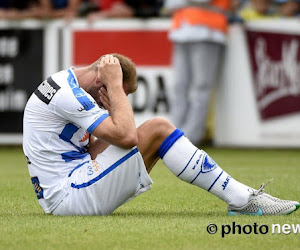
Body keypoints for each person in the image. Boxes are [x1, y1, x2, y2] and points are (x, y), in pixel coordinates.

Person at [23, 53, 299, 216]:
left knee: (156, 135)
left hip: (69, 186)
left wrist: (116, 100)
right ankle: (242, 200)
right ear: (101, 81)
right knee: (157, 128)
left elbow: (97, 148)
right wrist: (117, 92)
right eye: (110, 92)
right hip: (68, 197)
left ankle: (244, 196)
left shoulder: (69, 83)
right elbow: (128, 138)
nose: (108, 103)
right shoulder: (70, 97)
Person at [165, 0, 230, 146]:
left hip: (208, 30)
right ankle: (172, 132)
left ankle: (191, 136)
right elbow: (169, 4)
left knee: (201, 86)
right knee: (179, 85)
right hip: (181, 29)